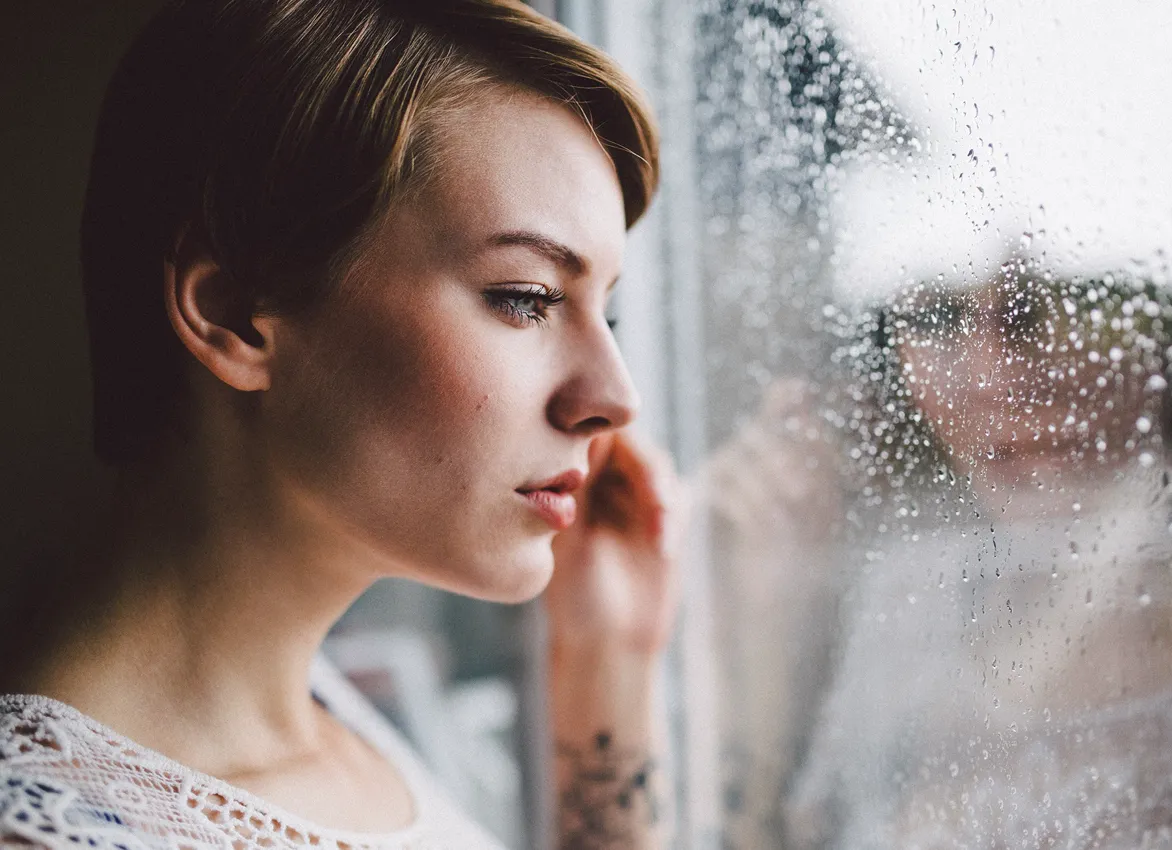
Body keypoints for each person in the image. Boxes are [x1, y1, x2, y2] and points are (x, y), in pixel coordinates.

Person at [0, 1, 681, 847]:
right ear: (237, 315)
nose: (617, 399)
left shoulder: (337, 721)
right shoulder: (53, 826)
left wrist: (607, 657)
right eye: (526, 298)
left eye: (604, 316)